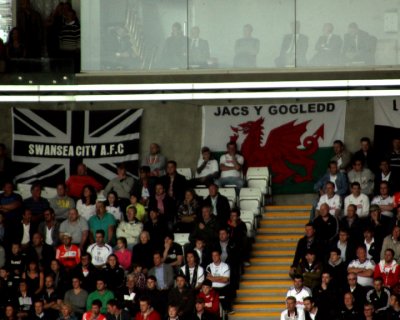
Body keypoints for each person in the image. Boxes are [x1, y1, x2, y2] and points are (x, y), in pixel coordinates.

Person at [206, 249, 233, 314]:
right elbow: (208, 279)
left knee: (228, 291)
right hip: (212, 288)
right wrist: (221, 278)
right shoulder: (209, 266)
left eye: (216, 255)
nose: (214, 257)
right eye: (213, 256)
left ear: (219, 256)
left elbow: (226, 280)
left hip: (223, 288)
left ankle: (227, 310)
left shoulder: (225, 266)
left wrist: (213, 278)